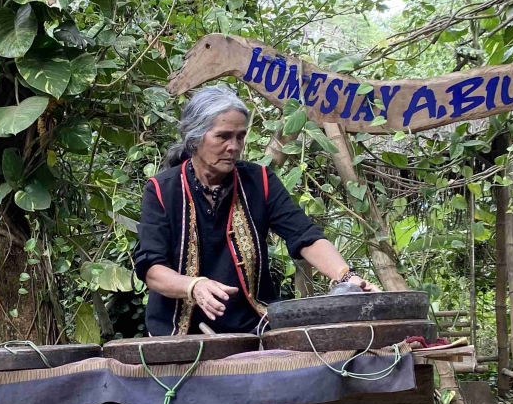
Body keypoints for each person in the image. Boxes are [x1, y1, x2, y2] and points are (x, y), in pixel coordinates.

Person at [134, 84, 377, 337]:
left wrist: (345, 275)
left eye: (240, 136)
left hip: (254, 328)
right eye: (223, 136)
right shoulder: (162, 190)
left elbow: (304, 234)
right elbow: (152, 268)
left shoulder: (259, 180)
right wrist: (193, 285)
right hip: (178, 336)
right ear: (195, 138)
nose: (234, 146)